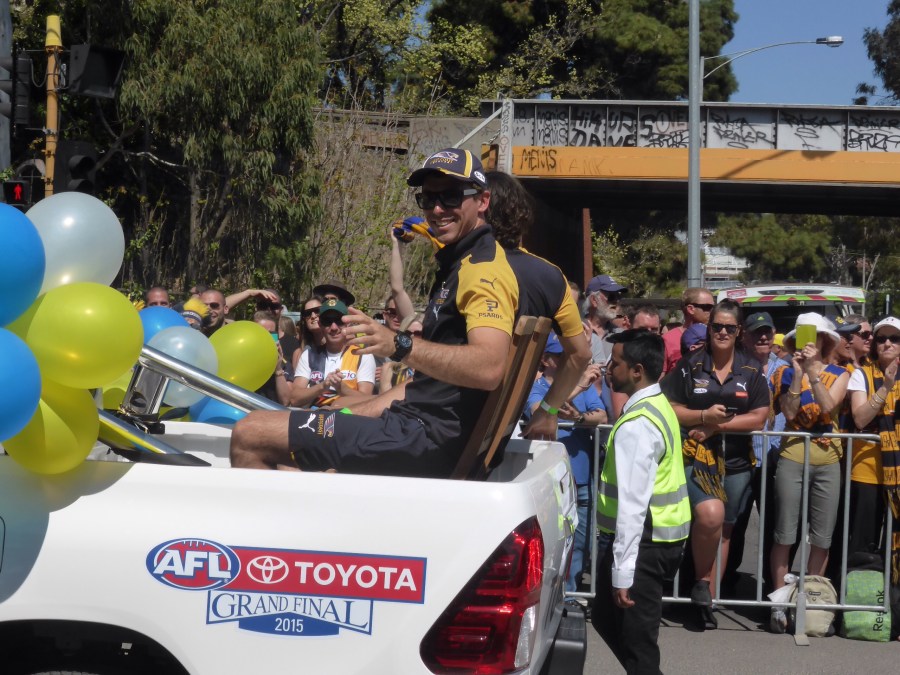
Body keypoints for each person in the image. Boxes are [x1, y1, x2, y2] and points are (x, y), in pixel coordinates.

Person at [230, 147, 589, 476]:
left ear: (483, 202)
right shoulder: (474, 263)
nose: (436, 209)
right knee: (298, 441)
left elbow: (489, 368)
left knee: (250, 433)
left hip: (423, 439)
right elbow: (428, 389)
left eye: (450, 196)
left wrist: (399, 345)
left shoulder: (481, 271)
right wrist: (347, 412)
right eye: (428, 198)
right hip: (419, 428)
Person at [660, 299, 769, 629]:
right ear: (709, 329)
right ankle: (696, 584)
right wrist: (703, 416)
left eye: (729, 328)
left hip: (736, 461)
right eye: (717, 326)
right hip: (694, 458)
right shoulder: (690, 364)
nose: (722, 332)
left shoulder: (752, 369)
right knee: (708, 517)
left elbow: (759, 416)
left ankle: (707, 596)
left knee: (726, 529)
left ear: (739, 332)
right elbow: (669, 406)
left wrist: (717, 427)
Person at [592, 329, 690, 674]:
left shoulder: (638, 424)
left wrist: (623, 572)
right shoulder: (656, 405)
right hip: (656, 539)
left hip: (645, 544)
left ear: (637, 371)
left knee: (638, 646)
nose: (608, 368)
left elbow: (632, 506)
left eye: (615, 362)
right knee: (608, 620)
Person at [768, 313, 849, 633]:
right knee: (784, 533)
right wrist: (799, 375)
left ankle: (811, 605)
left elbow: (828, 407)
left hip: (828, 460)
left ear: (825, 341)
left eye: (816, 336)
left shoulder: (840, 373)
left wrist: (814, 374)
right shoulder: (786, 371)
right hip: (792, 456)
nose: (810, 342)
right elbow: (788, 413)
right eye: (805, 336)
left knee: (822, 537)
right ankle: (779, 604)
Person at [524, 333, 606, 593]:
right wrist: (579, 387)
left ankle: (569, 593)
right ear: (546, 360)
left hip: (580, 475)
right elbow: (540, 410)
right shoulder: (536, 388)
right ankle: (551, 594)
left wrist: (579, 418)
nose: (569, 361)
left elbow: (601, 416)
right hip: (550, 479)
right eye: (562, 356)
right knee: (552, 542)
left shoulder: (583, 386)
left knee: (580, 542)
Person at [847, 316, 900, 574]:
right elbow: (860, 418)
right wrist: (886, 387)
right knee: (862, 544)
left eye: (895, 338)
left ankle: (894, 594)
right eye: (881, 339)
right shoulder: (862, 374)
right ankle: (862, 597)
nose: (887, 344)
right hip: (867, 470)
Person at [289, 299, 376, 408]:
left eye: (339, 321)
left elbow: (367, 401)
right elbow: (294, 399)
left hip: (347, 416)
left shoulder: (363, 355)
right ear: (320, 324)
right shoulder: (309, 355)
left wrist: (341, 388)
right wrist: (322, 386)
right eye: (327, 321)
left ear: (348, 324)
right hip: (315, 416)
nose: (334, 327)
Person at [662, 287, 715, 374]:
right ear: (690, 309)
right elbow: (660, 376)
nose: (712, 312)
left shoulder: (716, 336)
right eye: (707, 307)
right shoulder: (667, 339)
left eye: (714, 308)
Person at [583, 274, 627, 366]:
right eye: (612, 296)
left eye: (618, 296)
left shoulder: (622, 335)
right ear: (594, 300)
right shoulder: (576, 331)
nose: (616, 301)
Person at [253, 310, 291, 406]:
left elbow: (285, 401)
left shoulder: (284, 364)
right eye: (261, 333)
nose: (266, 338)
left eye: (271, 334)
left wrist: (278, 368)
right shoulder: (243, 361)